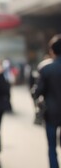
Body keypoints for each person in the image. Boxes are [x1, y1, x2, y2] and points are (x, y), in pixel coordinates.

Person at [33, 34, 61, 168]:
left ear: (52, 51)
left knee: (52, 147)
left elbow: (37, 91)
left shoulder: (46, 68)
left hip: (51, 112)